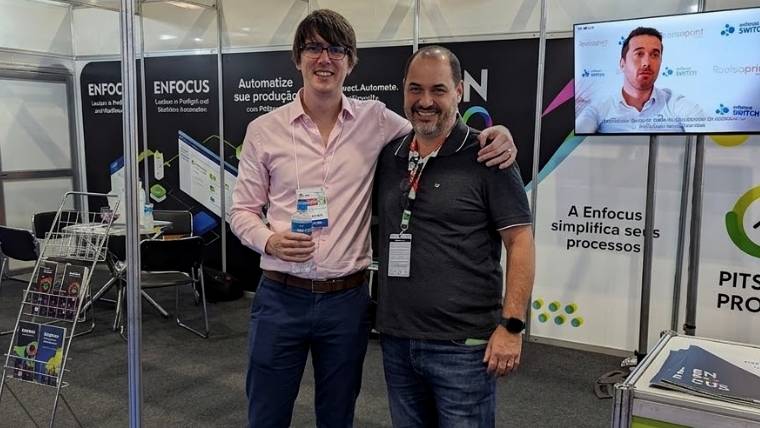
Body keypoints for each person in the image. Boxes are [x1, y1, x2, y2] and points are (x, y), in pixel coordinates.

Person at [229, 10, 518, 428]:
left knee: (338, 414)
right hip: (281, 296)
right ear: (297, 58)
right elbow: (241, 211)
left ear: (350, 61)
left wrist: (498, 132)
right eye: (313, 48)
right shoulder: (264, 130)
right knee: (266, 414)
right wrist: (268, 240)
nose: (324, 59)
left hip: (345, 302)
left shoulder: (377, 121)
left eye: (336, 49)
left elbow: (433, 126)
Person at [374, 45, 535, 427]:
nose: (425, 101)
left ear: (459, 92)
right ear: (403, 90)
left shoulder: (488, 156)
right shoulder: (390, 155)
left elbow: (520, 242)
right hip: (397, 339)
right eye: (415, 89)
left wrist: (512, 326)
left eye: (438, 90)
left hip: (463, 346)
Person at [576, 27, 704, 133]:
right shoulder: (599, 108)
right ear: (622, 64)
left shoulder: (676, 104)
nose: (646, 63)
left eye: (654, 55)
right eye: (639, 54)